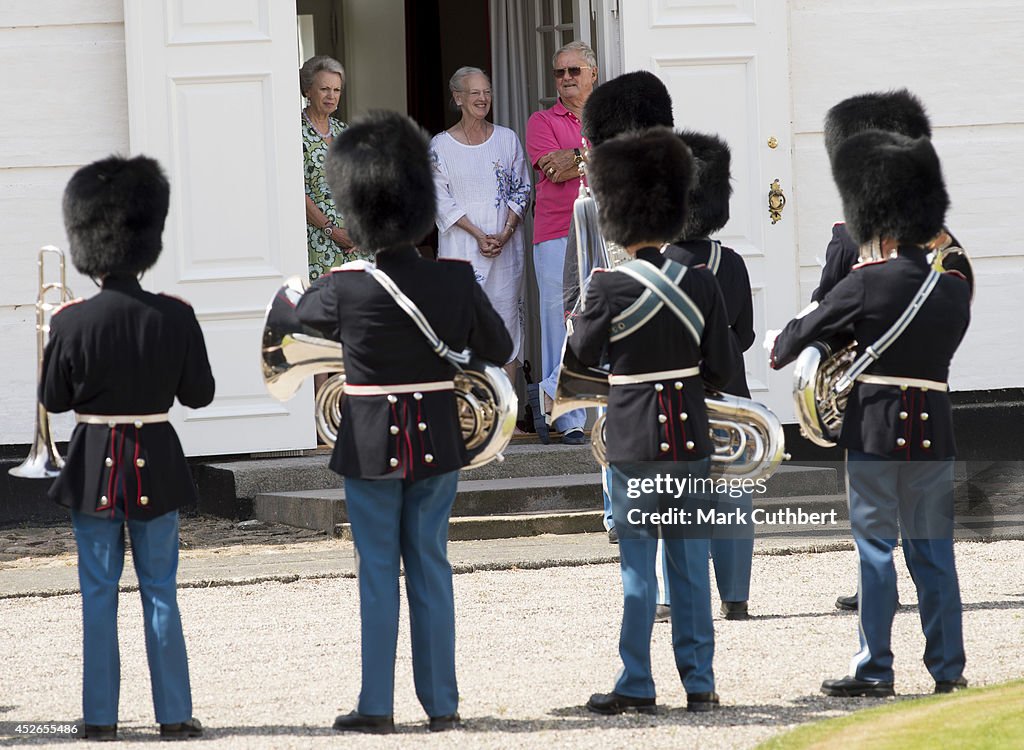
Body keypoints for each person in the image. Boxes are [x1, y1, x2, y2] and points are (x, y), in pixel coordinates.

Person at [295, 111, 512, 734]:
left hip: (367, 441)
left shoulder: (343, 285)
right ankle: (442, 704)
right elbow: (496, 348)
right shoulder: (454, 278)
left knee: (375, 572)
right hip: (439, 438)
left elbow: (300, 333)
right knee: (430, 564)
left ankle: (377, 705)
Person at [770, 129, 971, 698]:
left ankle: (875, 668)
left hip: (877, 429)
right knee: (933, 552)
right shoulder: (954, 289)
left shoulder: (867, 283)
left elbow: (794, 341)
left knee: (875, 551)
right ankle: (948, 671)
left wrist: (785, 345)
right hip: (934, 428)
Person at [40, 155, 214, 741]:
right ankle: (173, 715)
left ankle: (100, 719)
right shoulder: (175, 314)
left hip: (92, 462)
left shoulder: (70, 321)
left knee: (97, 594)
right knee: (161, 591)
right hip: (157, 460)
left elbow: (55, 400)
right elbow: (200, 395)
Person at [569, 127, 735, 715]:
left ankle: (637, 681)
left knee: (638, 570)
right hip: (688, 432)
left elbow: (582, 357)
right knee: (689, 567)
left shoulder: (609, 286)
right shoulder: (703, 282)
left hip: (634, 438)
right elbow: (721, 366)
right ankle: (700, 681)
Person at [809, 89, 969, 613]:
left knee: (873, 504)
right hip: (926, 389)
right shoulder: (945, 244)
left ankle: (876, 590)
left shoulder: (848, 238)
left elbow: (825, 308)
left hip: (871, 390)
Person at [570, 70, 675, 546]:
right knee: (610, 417)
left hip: (651, 306)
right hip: (614, 307)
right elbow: (585, 261)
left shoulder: (665, 188)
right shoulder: (591, 197)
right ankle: (618, 510)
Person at [664, 131, 756, 621]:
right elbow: (743, 336)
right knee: (732, 499)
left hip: (675, 398)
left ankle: (672, 594)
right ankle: (736, 595)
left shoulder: (656, 266)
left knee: (676, 502)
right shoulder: (733, 263)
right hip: (729, 396)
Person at [430, 66, 531, 388]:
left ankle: (510, 412)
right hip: (462, 249)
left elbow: (522, 189)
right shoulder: (440, 146)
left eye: (486, 91)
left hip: (505, 248)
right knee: (464, 326)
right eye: (475, 92)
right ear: (457, 97)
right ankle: (471, 412)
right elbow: (438, 199)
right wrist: (478, 234)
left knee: (505, 322)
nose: (483, 98)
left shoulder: (507, 139)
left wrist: (504, 233)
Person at [525, 40, 599, 445]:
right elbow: (552, 169)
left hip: (604, 229)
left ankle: (552, 393)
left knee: (602, 316)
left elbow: (622, 156)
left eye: (574, 71)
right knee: (560, 321)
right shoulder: (542, 120)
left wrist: (579, 156)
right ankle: (568, 419)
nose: (566, 78)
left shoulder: (608, 118)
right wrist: (591, 155)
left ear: (593, 74)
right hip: (556, 231)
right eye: (560, 72)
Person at [300, 55, 370, 280]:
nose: (331, 96)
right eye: (324, 89)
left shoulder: (344, 131)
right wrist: (331, 230)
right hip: (318, 241)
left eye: (336, 90)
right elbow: (295, 192)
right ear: (308, 91)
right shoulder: (295, 132)